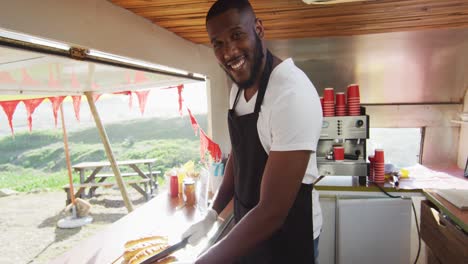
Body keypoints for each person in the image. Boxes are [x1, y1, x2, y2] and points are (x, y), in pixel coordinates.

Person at [182, 0, 323, 263]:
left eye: (237, 35)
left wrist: (204, 260)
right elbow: (241, 154)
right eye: (218, 43)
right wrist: (212, 215)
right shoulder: (238, 89)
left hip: (289, 235)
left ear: (258, 28)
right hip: (250, 227)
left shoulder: (291, 95)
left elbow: (272, 211)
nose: (229, 52)